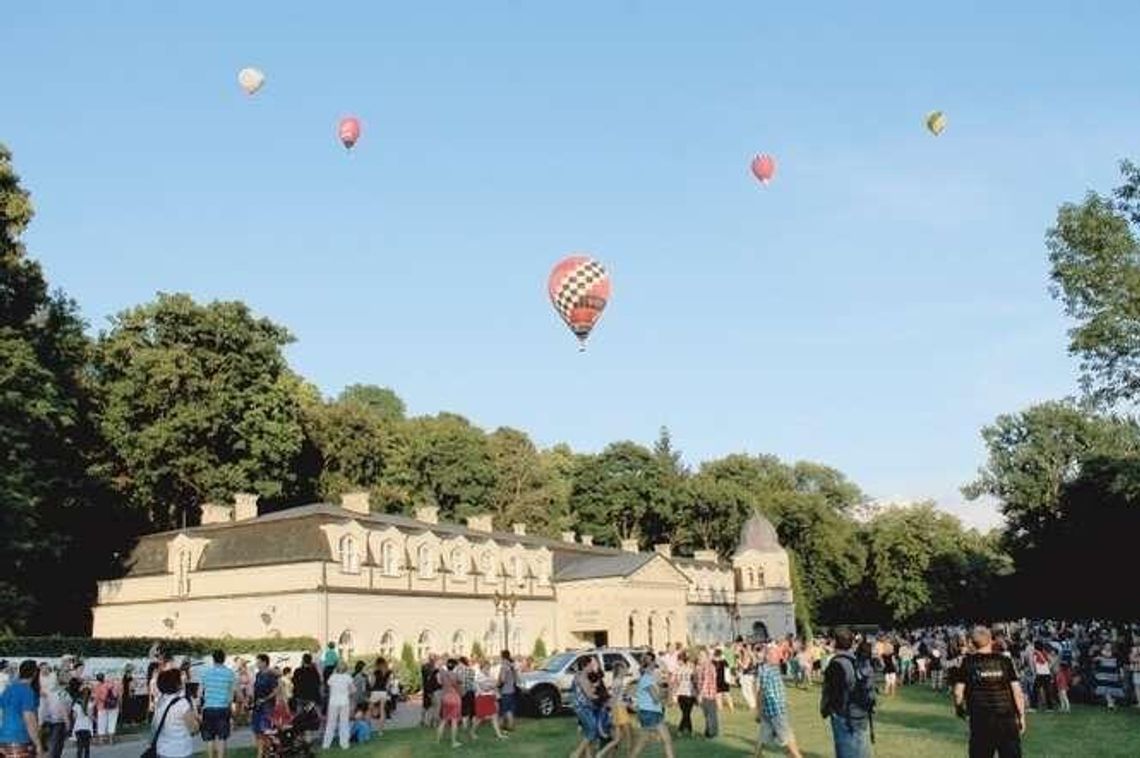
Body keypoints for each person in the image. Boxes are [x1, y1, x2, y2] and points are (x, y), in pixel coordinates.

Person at [951, 626, 1026, 758]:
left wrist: (959, 709)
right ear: (991, 640)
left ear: (972, 644)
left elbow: (958, 692)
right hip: (1006, 719)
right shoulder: (1005, 661)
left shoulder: (967, 662)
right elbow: (1017, 692)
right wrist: (1021, 716)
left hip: (981, 720)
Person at [820, 628, 874, 758]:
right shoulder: (858, 660)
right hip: (861, 712)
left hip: (844, 714)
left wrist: (828, 709)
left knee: (846, 750)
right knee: (862, 749)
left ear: (834, 642)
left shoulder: (837, 664)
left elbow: (833, 693)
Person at [755, 644, 803, 758]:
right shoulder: (766, 670)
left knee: (764, 735)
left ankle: (757, 755)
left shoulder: (774, 668)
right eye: (776, 654)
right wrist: (758, 710)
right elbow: (761, 692)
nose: (779, 657)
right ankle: (797, 756)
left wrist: (784, 700)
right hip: (775, 710)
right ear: (768, 656)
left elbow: (776, 688)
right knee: (787, 736)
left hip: (774, 708)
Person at [629, 656, 674, 758]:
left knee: (646, 741)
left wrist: (666, 693)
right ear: (651, 664)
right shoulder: (646, 679)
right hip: (650, 713)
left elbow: (656, 699)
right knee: (665, 740)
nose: (656, 666)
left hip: (649, 712)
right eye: (654, 663)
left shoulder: (648, 678)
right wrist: (668, 689)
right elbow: (655, 698)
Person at [0, 660, 44, 758]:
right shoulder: (27, 691)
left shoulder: (9, 689)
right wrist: (38, 743)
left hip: (3, 737)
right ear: (35, 673)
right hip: (19, 738)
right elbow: (29, 719)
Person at [152, 669, 199, 758]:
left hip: (162, 750)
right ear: (176, 683)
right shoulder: (182, 703)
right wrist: (198, 720)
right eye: (179, 678)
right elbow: (193, 729)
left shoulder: (160, 701)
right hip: (180, 751)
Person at [200, 649, 235, 758]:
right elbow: (231, 693)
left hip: (208, 708)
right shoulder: (229, 673)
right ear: (224, 659)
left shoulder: (206, 672)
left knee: (209, 738)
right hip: (223, 708)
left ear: (213, 658)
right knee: (221, 738)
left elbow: (200, 692)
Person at [596, 661, 633, 758]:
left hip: (618, 709)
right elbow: (615, 698)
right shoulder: (618, 682)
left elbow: (617, 697)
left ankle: (600, 754)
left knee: (617, 738)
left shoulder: (617, 681)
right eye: (625, 668)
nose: (627, 670)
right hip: (619, 710)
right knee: (629, 736)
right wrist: (612, 713)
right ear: (620, 670)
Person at [570, 657, 601, 758]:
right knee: (592, 732)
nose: (592, 666)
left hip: (582, 707)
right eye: (590, 665)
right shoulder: (582, 677)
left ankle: (588, 755)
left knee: (587, 731)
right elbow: (590, 695)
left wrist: (594, 686)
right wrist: (603, 696)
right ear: (585, 666)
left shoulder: (579, 676)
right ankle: (576, 754)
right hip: (583, 708)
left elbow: (586, 689)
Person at [468, 660, 506, 742]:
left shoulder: (489, 675)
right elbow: (485, 687)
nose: (488, 669)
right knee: (480, 718)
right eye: (486, 667)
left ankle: (499, 735)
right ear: (482, 668)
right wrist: (492, 685)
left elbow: (495, 685)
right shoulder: (479, 676)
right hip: (482, 698)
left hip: (490, 697)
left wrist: (493, 686)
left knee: (494, 716)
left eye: (489, 667)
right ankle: (472, 732)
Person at [250, 654, 278, 758]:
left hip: (267, 707)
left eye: (258, 662)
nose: (256, 664)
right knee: (257, 731)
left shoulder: (270, 675)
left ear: (264, 662)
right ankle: (262, 753)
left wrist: (265, 699)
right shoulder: (258, 674)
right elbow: (255, 690)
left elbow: (275, 691)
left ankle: (268, 753)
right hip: (257, 706)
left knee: (266, 731)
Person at [322, 660, 353, 750]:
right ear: (346, 668)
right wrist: (347, 692)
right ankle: (344, 744)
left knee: (331, 723)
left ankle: (326, 744)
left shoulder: (332, 677)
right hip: (344, 702)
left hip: (333, 702)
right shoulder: (348, 677)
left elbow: (329, 686)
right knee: (344, 723)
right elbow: (353, 690)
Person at [436, 659, 463, 748]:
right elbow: (459, 686)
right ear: (455, 666)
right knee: (454, 721)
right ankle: (454, 742)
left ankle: (437, 740)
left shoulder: (443, 674)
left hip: (445, 697)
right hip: (454, 698)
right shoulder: (456, 676)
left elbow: (439, 681)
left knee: (444, 720)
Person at [671, 651, 696, 737]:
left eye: (679, 660)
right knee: (686, 713)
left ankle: (681, 730)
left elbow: (674, 683)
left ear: (682, 660)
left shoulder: (679, 670)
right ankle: (690, 730)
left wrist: (674, 694)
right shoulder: (691, 669)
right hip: (687, 693)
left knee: (686, 713)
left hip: (686, 693)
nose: (678, 661)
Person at [696, 649, 719, 738]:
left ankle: (711, 733)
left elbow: (705, 681)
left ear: (706, 657)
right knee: (707, 714)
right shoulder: (702, 666)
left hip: (708, 694)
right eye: (699, 655)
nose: (699, 657)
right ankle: (709, 731)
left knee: (710, 714)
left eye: (701, 656)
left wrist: (700, 694)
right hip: (706, 694)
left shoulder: (708, 666)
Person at [91, 672, 119, 745]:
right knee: (112, 722)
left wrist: (93, 706)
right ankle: (111, 740)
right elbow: (117, 695)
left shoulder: (97, 686)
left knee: (101, 723)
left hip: (101, 707)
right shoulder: (113, 684)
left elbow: (96, 698)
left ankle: (101, 740)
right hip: (113, 707)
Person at [496, 650, 519, 732]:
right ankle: (510, 725)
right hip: (511, 689)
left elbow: (502, 679)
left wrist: (498, 685)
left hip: (505, 690)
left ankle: (501, 725)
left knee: (504, 709)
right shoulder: (512, 665)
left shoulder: (504, 666)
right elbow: (516, 678)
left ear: (502, 656)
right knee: (510, 709)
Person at [70, 686, 93, 758]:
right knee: (87, 747)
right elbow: (91, 716)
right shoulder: (90, 704)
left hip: (78, 727)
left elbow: (74, 716)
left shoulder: (77, 704)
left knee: (79, 747)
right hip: (87, 727)